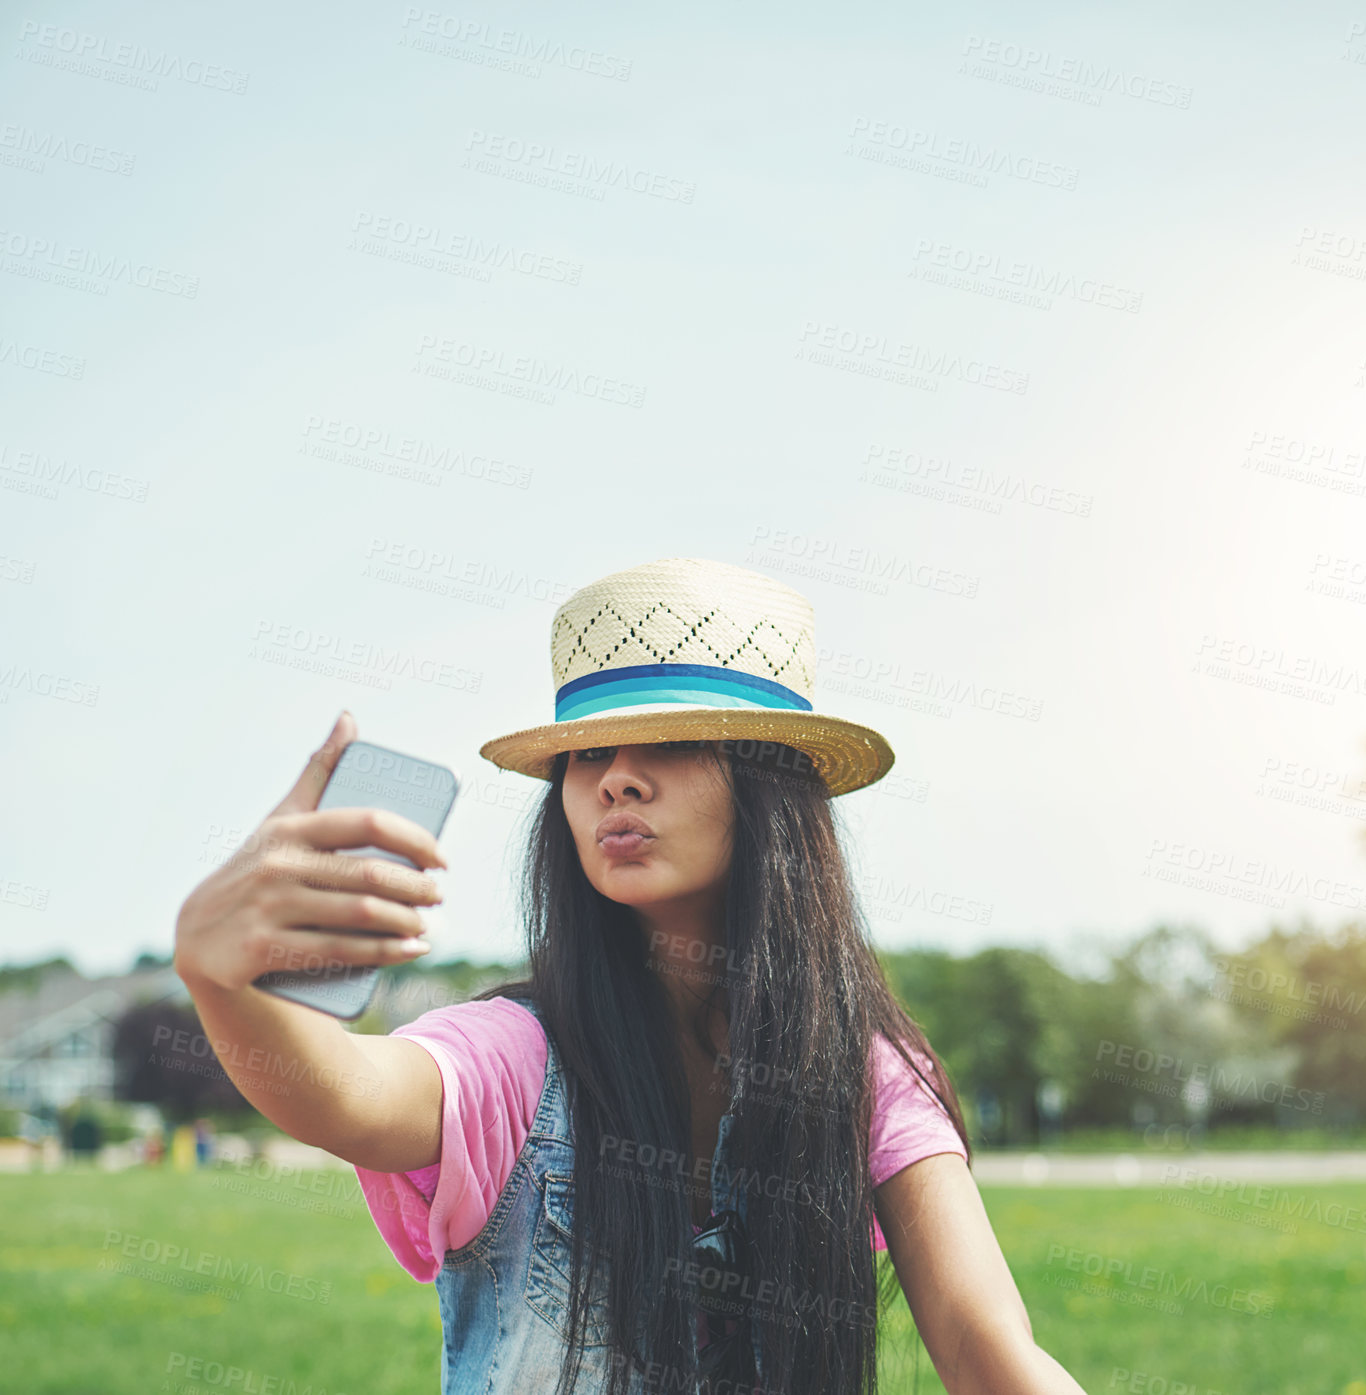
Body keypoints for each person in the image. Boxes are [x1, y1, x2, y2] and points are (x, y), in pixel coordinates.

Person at [175, 556, 1088, 1395]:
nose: (617, 780)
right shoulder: (516, 1052)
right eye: (588, 754)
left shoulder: (863, 1068)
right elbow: (351, 1094)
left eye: (674, 743)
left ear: (770, 781)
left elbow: (987, 1352)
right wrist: (225, 981)